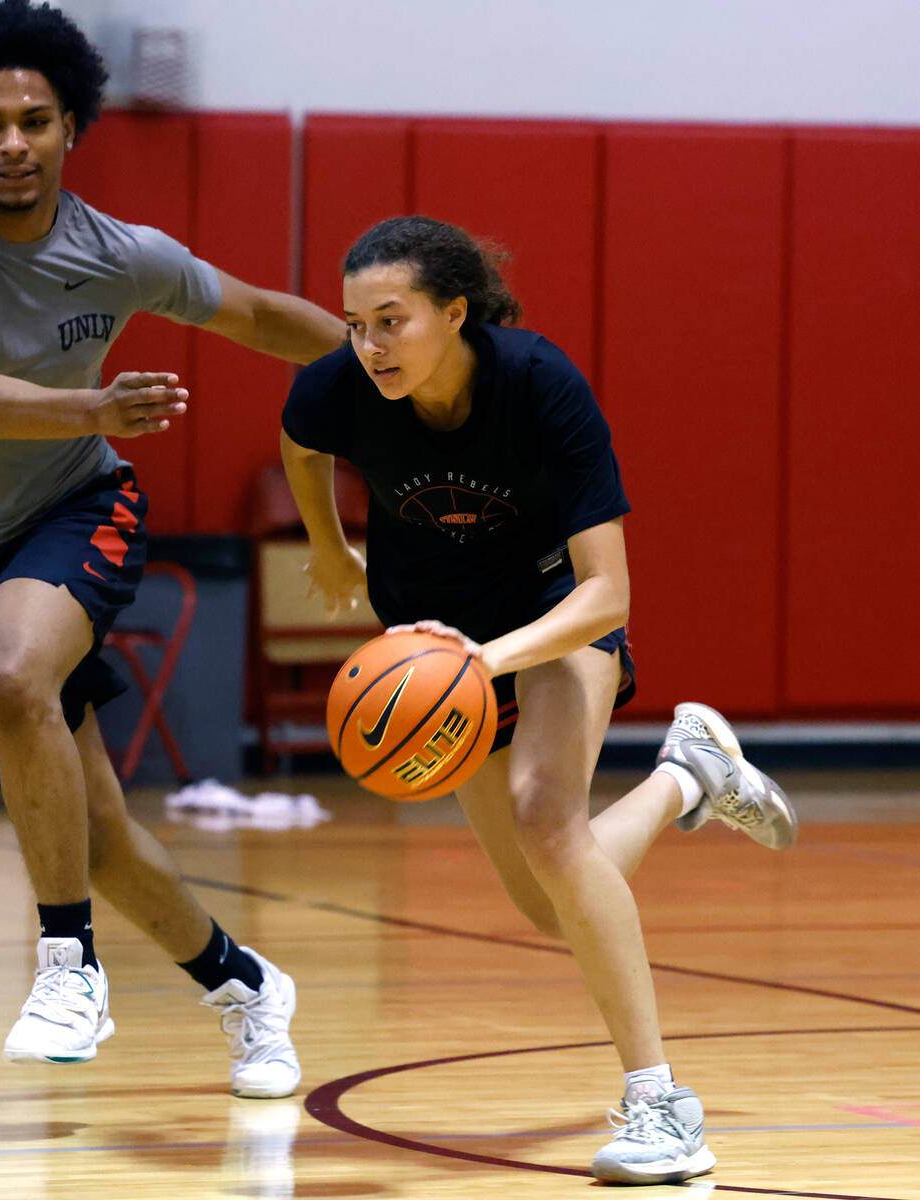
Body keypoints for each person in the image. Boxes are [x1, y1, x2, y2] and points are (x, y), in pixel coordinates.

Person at [0, 0, 346, 1091]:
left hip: (79, 509)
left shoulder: (120, 254)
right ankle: (245, 988)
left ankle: (65, 963)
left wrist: (389, 373)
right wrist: (93, 403)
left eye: (35, 120)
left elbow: (260, 316)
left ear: (70, 129)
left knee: (6, 669)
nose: (12, 143)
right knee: (91, 831)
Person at [279, 215, 798, 1183]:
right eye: (354, 324)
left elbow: (609, 590)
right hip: (436, 638)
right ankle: (689, 776)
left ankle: (662, 1106)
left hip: (552, 617)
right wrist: (324, 543)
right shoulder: (338, 388)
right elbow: (300, 441)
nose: (369, 345)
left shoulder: (537, 383)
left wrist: (486, 657)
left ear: (455, 311)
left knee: (546, 824)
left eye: (391, 321)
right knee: (547, 900)